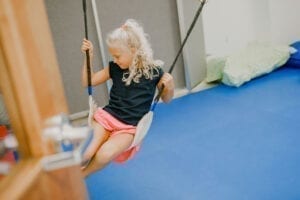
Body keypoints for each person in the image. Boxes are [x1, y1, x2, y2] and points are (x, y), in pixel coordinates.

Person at [80, 19, 174, 176]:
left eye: (117, 56)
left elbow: (167, 99)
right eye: (113, 56)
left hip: (129, 129)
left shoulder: (154, 72)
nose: (114, 60)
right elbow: (88, 81)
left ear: (133, 49)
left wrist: (169, 86)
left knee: (104, 154)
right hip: (107, 118)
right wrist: (88, 57)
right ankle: (67, 175)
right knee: (86, 152)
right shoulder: (114, 68)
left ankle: (83, 175)